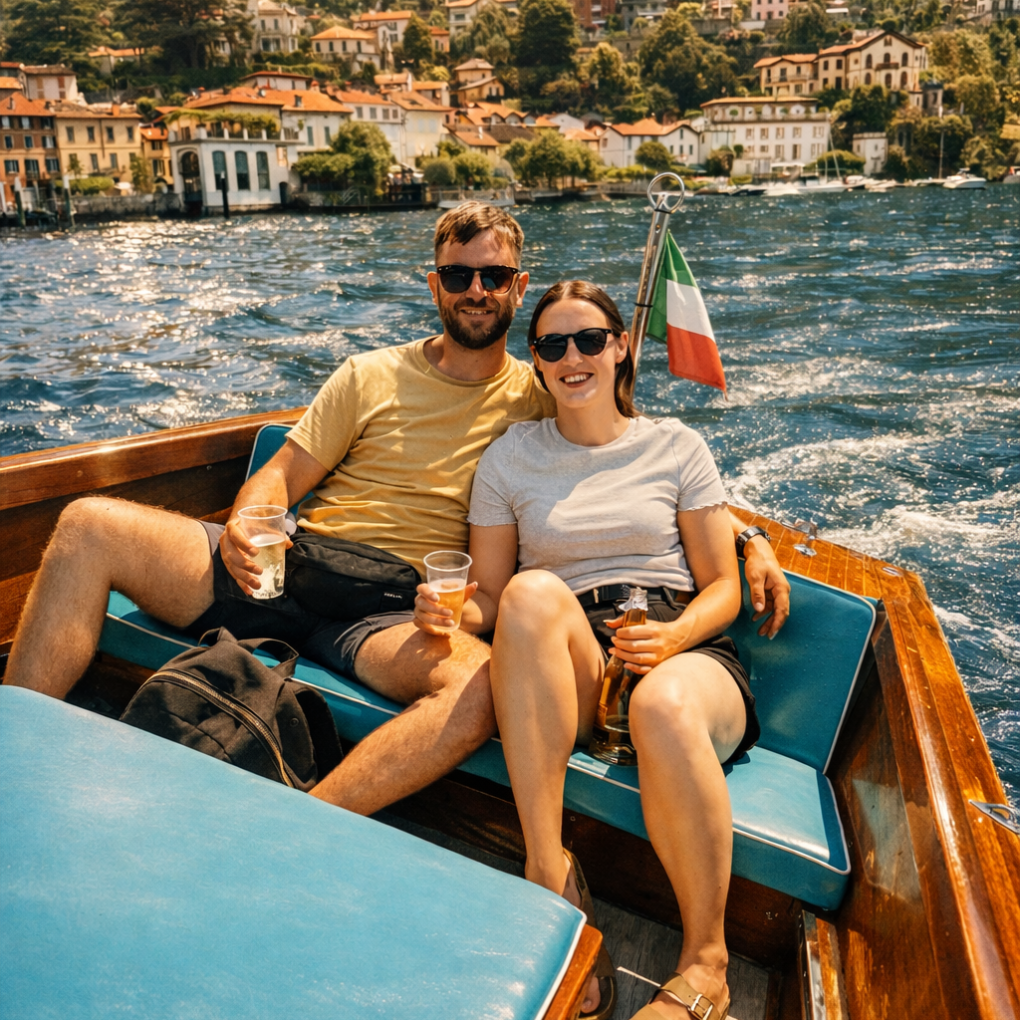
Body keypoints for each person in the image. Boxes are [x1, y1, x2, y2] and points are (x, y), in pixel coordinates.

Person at [5, 203, 788, 849]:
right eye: (458, 275)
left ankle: (297, 831)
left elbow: (636, 458)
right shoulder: (367, 375)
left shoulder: (546, 390)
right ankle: (15, 759)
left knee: (481, 693)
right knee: (86, 524)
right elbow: (281, 476)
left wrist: (750, 541)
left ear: (518, 287)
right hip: (290, 563)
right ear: (434, 283)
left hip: (395, 611)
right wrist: (247, 521)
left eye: (492, 276)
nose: (475, 290)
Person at [415, 281, 762, 1020]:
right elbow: (491, 595)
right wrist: (442, 610)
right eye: (552, 345)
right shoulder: (509, 459)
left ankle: (706, 963)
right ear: (536, 363)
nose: (573, 358)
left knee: (666, 705)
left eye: (590, 340)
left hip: (682, 649)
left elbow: (722, 589)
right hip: (573, 662)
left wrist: (671, 638)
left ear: (621, 348)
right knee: (531, 594)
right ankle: (551, 873)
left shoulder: (676, 446)